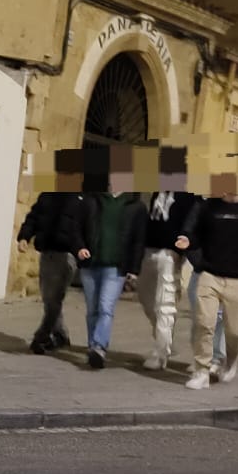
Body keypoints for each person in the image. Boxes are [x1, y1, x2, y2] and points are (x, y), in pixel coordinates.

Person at [180, 177, 238, 390]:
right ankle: (201, 370)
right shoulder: (209, 207)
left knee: (235, 332)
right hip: (210, 275)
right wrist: (188, 241)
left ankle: (231, 361)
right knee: (204, 323)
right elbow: (197, 235)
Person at [70, 156, 147, 371]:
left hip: (116, 267)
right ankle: (92, 346)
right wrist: (79, 247)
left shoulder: (136, 207)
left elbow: (138, 241)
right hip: (91, 263)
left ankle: (99, 347)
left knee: (105, 307)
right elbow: (76, 227)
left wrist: (134, 270)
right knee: (92, 309)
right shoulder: (92, 201)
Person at [16, 169, 84, 354]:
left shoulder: (81, 200)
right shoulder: (47, 196)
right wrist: (24, 236)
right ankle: (60, 335)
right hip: (47, 253)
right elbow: (33, 218)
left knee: (55, 298)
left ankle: (42, 336)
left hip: (67, 255)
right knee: (49, 298)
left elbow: (87, 227)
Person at [138, 175, 200, 371]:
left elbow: (191, 224)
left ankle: (161, 352)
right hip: (149, 249)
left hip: (169, 253)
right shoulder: (158, 191)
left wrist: (179, 251)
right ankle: (164, 338)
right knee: (145, 298)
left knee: (164, 302)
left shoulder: (189, 196)